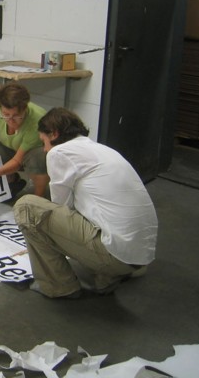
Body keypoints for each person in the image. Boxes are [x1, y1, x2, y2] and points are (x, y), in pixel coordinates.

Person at [13, 107, 158, 299]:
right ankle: (107, 275)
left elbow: (59, 207)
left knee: (28, 208)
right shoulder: (101, 149)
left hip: (115, 255)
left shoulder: (59, 153)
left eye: (44, 142)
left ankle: (59, 286)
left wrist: (37, 236)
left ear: (54, 134)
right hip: (139, 256)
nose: (45, 149)